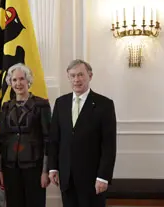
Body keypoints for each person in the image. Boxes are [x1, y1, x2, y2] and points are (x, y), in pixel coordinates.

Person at [48, 59, 117, 207]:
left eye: (80, 75)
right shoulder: (61, 103)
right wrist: (53, 167)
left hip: (93, 179)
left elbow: (109, 145)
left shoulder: (104, 105)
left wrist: (103, 177)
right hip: (67, 178)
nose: (76, 80)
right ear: (68, 77)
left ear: (90, 76)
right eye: (72, 76)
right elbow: (54, 139)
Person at [0, 63, 51, 207]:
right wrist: (0, 170)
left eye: (21, 79)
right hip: (10, 167)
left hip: (34, 166)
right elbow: (2, 140)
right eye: (14, 80)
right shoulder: (6, 106)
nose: (18, 83)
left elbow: (48, 139)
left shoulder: (41, 105)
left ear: (28, 81)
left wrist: (45, 171)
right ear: (10, 82)